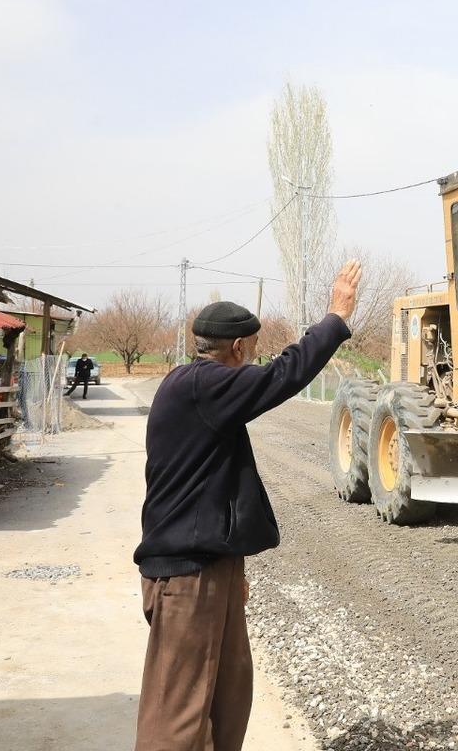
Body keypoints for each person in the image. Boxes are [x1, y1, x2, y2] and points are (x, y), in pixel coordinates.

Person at [132, 261, 362, 751]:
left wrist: (230, 567)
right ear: (238, 348)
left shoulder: (196, 386)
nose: (255, 359)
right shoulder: (206, 386)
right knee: (177, 716)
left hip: (210, 567)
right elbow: (284, 374)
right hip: (186, 576)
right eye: (253, 350)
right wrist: (335, 319)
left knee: (229, 693)